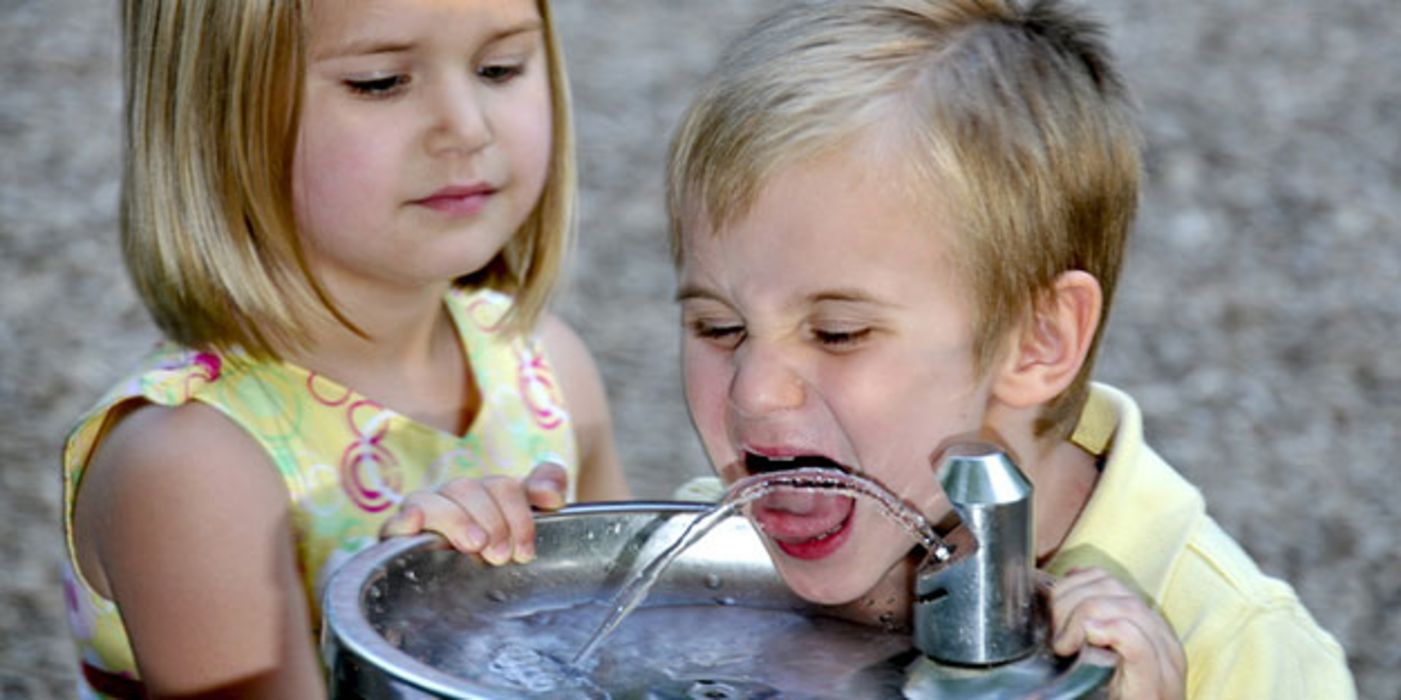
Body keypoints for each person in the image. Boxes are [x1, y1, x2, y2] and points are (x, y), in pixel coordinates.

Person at [662, 0, 1356, 698]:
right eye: (719, 329)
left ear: (1037, 341)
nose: (754, 390)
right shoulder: (702, 573)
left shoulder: (1235, 643)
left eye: (837, 333)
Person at [60, 1, 628, 697]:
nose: (467, 127)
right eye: (380, 81)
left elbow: (629, 653)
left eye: (498, 68)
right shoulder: (191, 468)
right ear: (216, 110)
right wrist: (407, 617)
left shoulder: (544, 366)